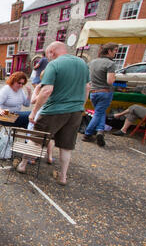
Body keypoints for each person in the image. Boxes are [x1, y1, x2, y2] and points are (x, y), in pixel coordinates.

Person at [16, 42, 90, 185]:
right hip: (75, 111)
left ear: (52, 52)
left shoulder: (54, 65)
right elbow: (87, 87)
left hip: (54, 110)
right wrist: (81, 106)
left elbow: (47, 91)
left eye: (48, 54)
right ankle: (63, 176)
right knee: (66, 146)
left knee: (36, 139)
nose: (47, 58)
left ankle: (22, 165)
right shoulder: (82, 64)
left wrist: (34, 112)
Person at [82, 43, 119, 147]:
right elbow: (110, 81)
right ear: (109, 51)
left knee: (100, 112)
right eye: (115, 50)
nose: (116, 53)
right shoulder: (110, 64)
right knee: (98, 113)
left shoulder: (92, 62)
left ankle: (100, 131)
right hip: (105, 92)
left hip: (93, 92)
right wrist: (115, 77)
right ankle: (87, 134)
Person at [27, 70, 54, 164]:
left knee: (36, 137)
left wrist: (36, 90)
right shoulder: (57, 87)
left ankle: (33, 158)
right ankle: (50, 157)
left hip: (41, 113)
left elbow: (33, 101)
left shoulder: (44, 88)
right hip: (53, 114)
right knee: (49, 136)